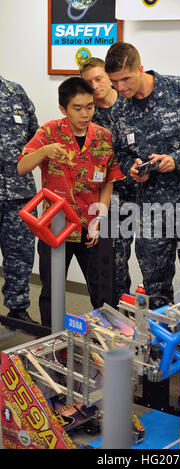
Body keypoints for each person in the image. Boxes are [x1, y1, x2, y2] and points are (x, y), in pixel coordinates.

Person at [104, 41, 180, 309]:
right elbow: (122, 153)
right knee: (155, 286)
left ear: (141, 69)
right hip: (151, 211)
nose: (120, 88)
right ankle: (159, 347)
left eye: (126, 79)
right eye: (114, 82)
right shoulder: (120, 110)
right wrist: (132, 170)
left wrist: (175, 160)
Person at [17, 77, 124, 326]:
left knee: (104, 293)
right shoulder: (48, 132)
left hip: (93, 226)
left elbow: (109, 180)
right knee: (51, 293)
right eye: (78, 108)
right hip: (56, 227)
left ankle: (104, 345)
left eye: (90, 107)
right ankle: (49, 343)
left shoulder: (103, 137)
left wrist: (101, 216)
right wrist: (43, 152)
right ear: (63, 109)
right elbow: (22, 166)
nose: (85, 114)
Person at [80, 57, 138, 306]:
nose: (95, 85)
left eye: (99, 78)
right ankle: (109, 318)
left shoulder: (131, 104)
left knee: (151, 264)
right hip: (108, 199)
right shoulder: (87, 115)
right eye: (89, 82)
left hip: (144, 194)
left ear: (109, 78)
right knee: (111, 264)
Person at [0, 76, 38, 324]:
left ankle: (18, 310)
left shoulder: (16, 92)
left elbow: (35, 137)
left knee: (21, 256)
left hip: (18, 193)